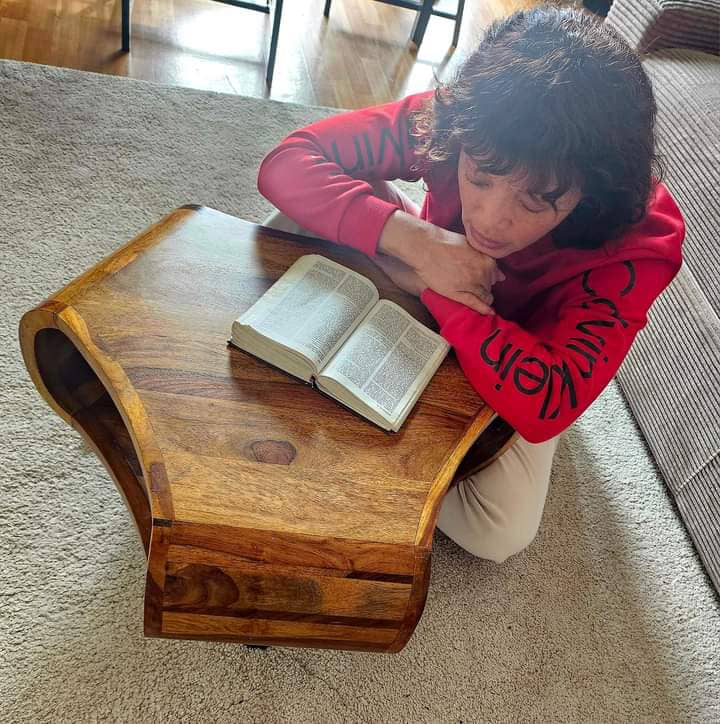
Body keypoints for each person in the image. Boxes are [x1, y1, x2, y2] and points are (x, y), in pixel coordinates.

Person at [256, 4, 685, 563]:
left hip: (513, 343)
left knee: (499, 531)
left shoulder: (641, 239)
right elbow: (287, 162)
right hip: (428, 262)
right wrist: (415, 241)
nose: (489, 221)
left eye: (536, 201)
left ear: (590, 194)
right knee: (290, 218)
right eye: (479, 177)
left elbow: (551, 402)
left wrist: (431, 285)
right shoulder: (465, 118)